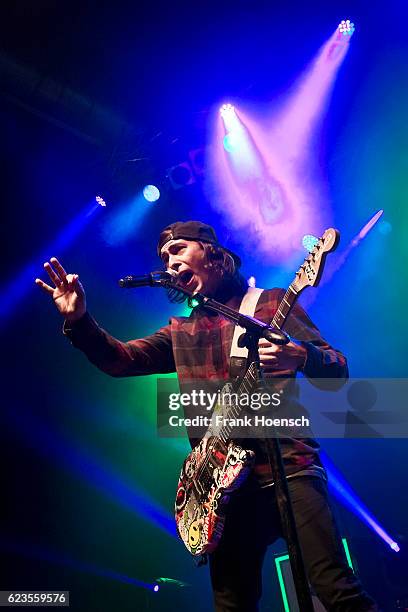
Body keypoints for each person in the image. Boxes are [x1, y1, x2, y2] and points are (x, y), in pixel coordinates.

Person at [35, 220, 378, 611]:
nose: (169, 261)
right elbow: (120, 360)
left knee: (336, 590)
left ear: (212, 253)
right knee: (231, 604)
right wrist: (80, 321)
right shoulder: (181, 331)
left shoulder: (270, 303)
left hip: (289, 465)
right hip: (224, 489)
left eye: (178, 249)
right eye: (164, 256)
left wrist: (301, 355)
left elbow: (337, 369)